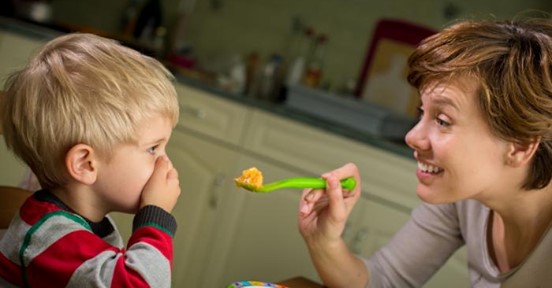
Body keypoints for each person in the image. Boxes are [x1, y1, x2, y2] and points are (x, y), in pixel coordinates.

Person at [298, 16, 552, 287]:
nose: (412, 137)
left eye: (443, 120)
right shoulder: (466, 198)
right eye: (422, 112)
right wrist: (323, 241)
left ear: (520, 146)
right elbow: (385, 280)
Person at [0, 32, 181, 287]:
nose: (165, 163)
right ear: (85, 164)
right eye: (153, 149)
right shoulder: (50, 239)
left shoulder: (80, 223)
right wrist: (156, 217)